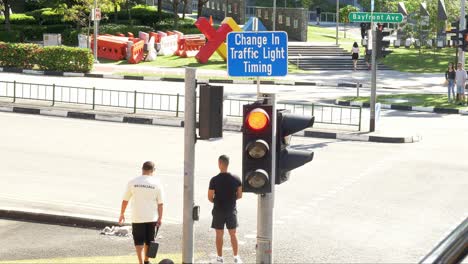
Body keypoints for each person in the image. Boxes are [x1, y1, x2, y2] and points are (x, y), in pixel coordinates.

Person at [119, 161, 164, 264]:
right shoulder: (157, 183)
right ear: (153, 170)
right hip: (151, 217)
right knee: (149, 240)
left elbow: (125, 200)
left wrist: (122, 213)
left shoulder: (133, 182)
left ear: (142, 169)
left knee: (138, 241)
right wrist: (160, 218)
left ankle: (140, 262)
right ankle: (146, 260)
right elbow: (160, 203)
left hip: (137, 216)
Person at [208, 155, 242, 263]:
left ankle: (220, 258)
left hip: (218, 210)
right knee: (233, 234)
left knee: (219, 234)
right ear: (228, 164)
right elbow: (240, 195)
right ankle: (236, 257)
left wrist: (217, 201)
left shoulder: (214, 180)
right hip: (231, 210)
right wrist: (231, 200)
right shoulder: (236, 179)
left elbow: (210, 197)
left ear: (220, 164)